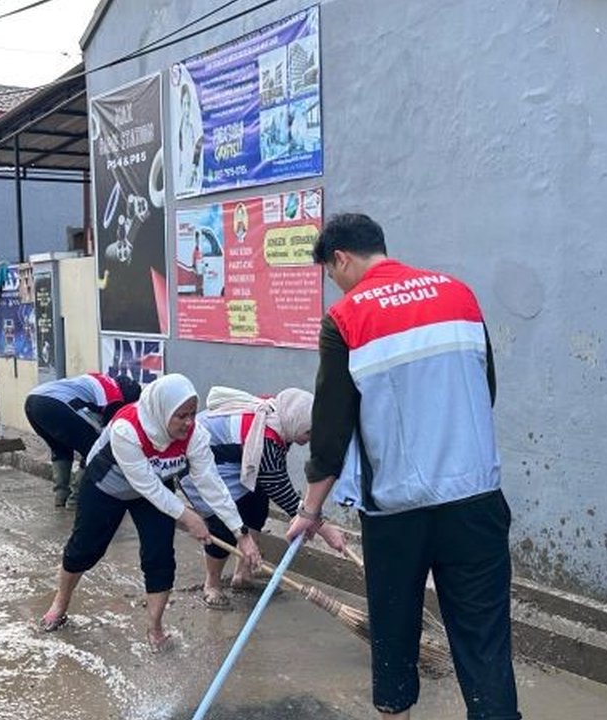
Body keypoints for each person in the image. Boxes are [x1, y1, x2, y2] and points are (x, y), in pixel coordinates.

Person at [285, 213, 519, 719]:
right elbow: (487, 389)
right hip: (475, 500)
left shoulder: (346, 317)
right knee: (486, 647)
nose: (335, 285)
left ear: (340, 258)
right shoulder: (460, 295)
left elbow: (330, 429)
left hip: (398, 512)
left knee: (393, 639)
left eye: (331, 273)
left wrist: (310, 510)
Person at [38, 374, 263, 652]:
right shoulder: (126, 429)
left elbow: (210, 482)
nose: (189, 422)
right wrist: (189, 517)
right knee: (85, 549)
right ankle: (60, 602)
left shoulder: (195, 434)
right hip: (107, 485)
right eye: (181, 416)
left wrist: (241, 534)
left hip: (158, 485)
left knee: (160, 557)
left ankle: (155, 627)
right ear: (161, 410)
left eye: (193, 414)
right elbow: (146, 486)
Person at [188, 386, 345, 610]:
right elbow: (278, 486)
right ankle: (211, 584)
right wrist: (322, 526)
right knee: (224, 523)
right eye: (308, 433)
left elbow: (273, 480)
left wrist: (308, 516)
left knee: (257, 505)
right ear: (296, 422)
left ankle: (243, 575)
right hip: (201, 466)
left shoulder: (280, 422)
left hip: (231, 462)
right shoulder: (268, 435)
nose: (308, 440)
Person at [24, 372, 143, 507]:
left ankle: (61, 495)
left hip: (33, 401)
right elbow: (109, 432)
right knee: (94, 450)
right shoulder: (116, 398)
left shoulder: (102, 380)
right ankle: (77, 499)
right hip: (58, 403)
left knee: (60, 448)